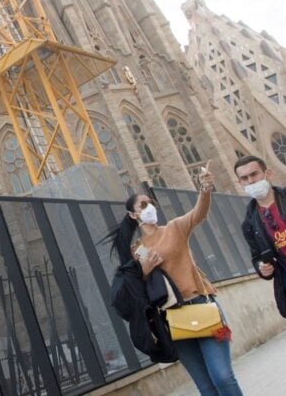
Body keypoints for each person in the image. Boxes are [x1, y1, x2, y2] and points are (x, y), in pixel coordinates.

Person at [105, 161, 244, 395]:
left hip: (201, 304)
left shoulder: (174, 228)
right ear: (133, 214)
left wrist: (205, 188)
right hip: (172, 319)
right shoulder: (136, 251)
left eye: (151, 203)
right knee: (205, 386)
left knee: (222, 376)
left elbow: (199, 212)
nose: (150, 207)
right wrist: (145, 270)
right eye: (143, 205)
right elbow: (137, 291)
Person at [236, 155, 286, 356]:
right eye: (244, 178)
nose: (251, 181)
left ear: (267, 173)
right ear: (240, 183)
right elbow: (257, 257)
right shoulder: (250, 224)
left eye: (254, 174)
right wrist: (262, 268)